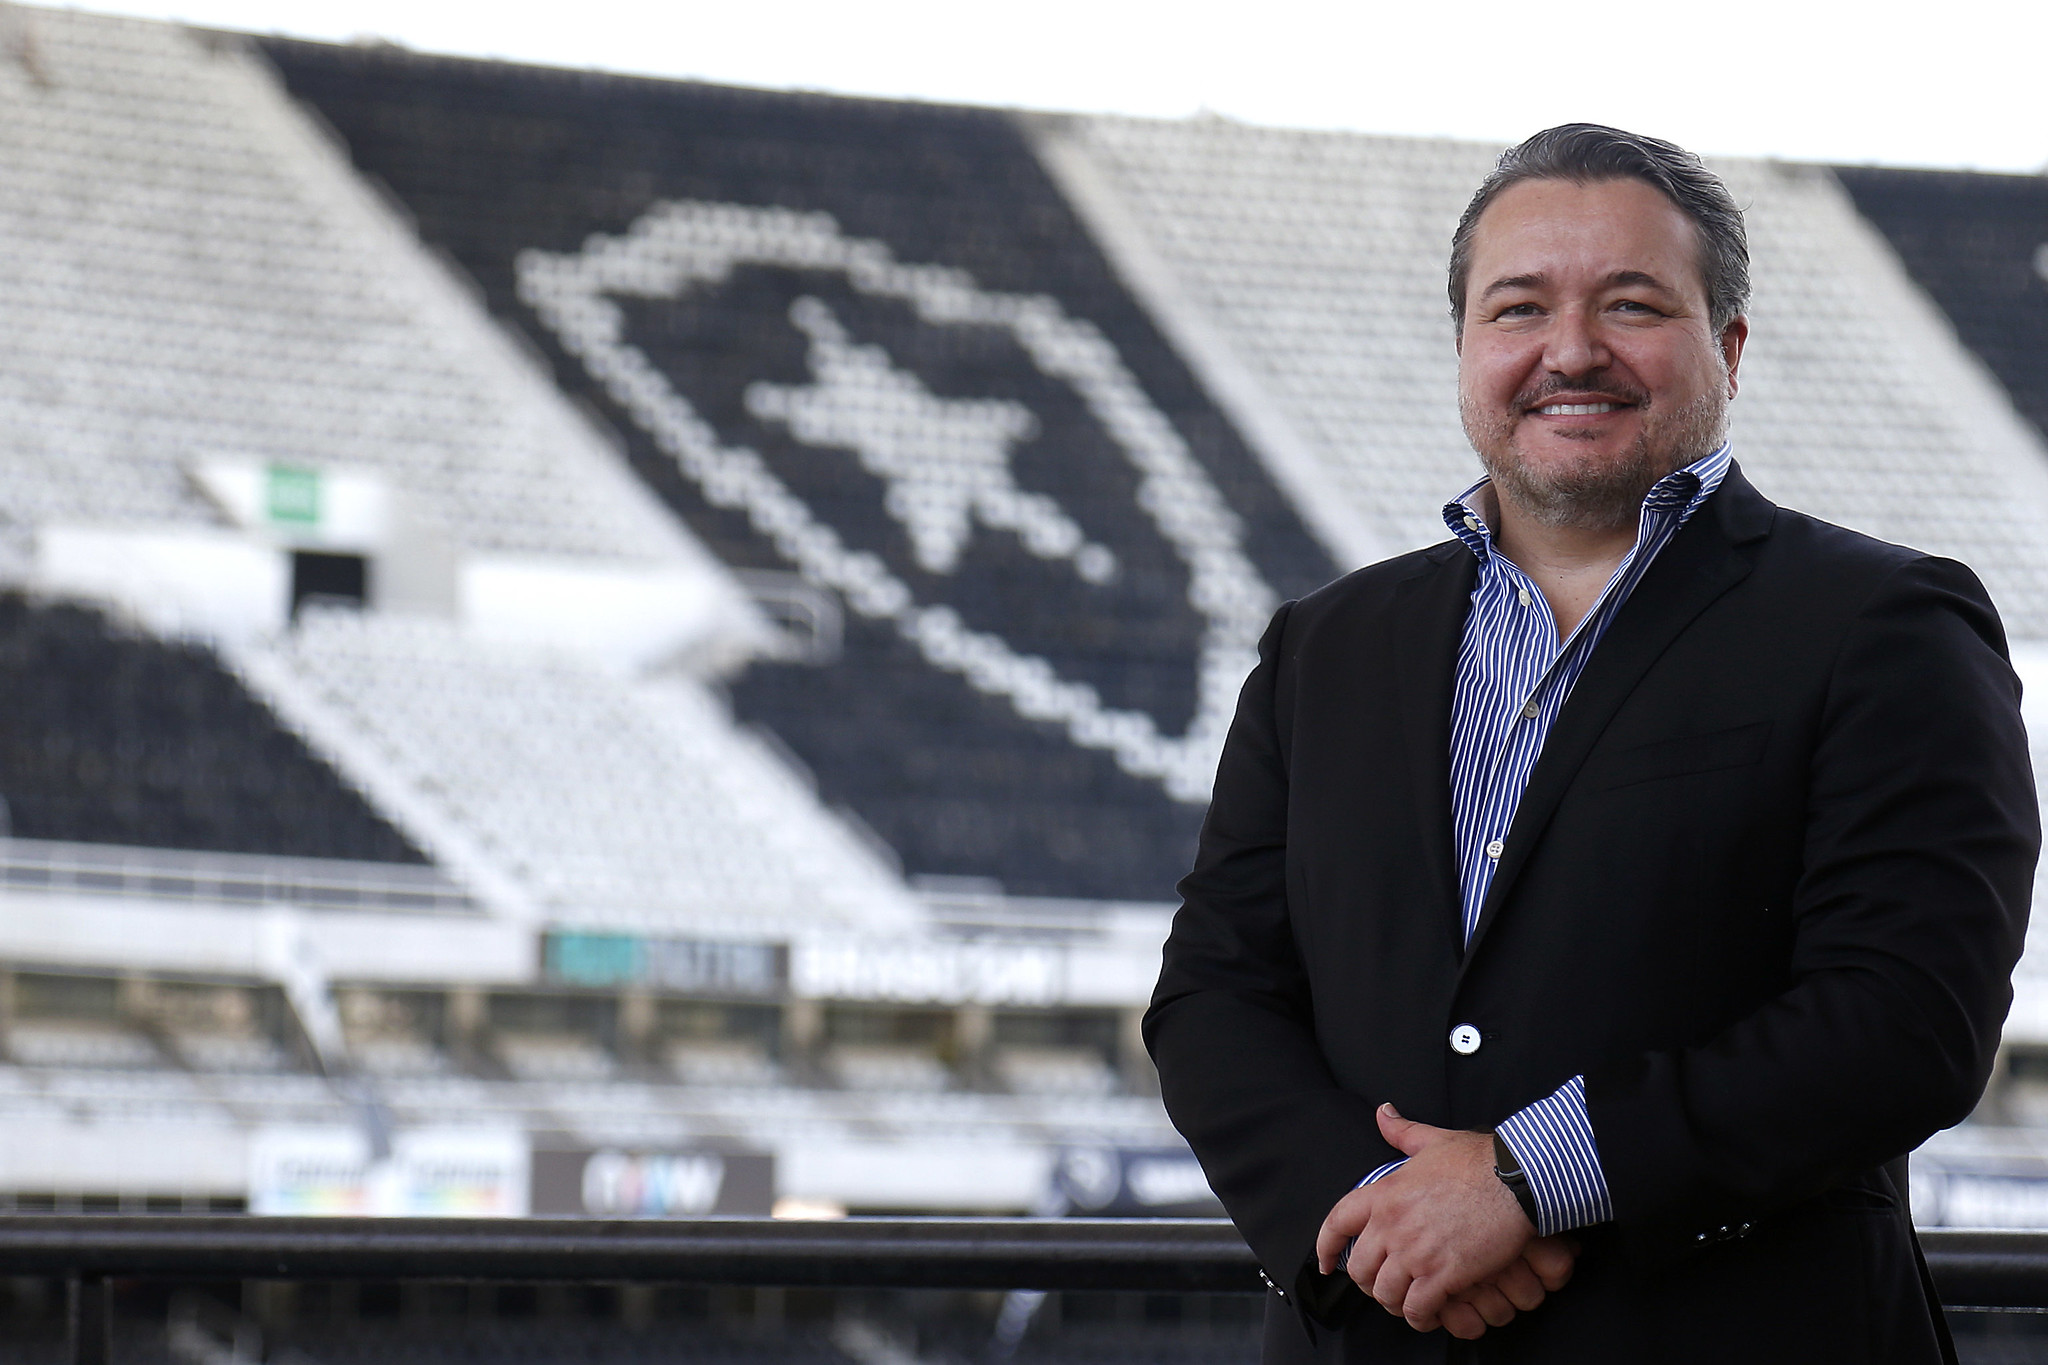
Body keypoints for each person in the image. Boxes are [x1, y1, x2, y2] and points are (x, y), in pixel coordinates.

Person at [1146, 123, 2040, 1364]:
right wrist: (1373, 1218)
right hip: (1376, 1335)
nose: (1569, 351)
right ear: (1463, 347)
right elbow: (1211, 996)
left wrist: (1521, 1180)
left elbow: (1904, 1020)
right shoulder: (1324, 646)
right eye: (1517, 308)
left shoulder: (1881, 624)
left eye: (1630, 305)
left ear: (1725, 348)